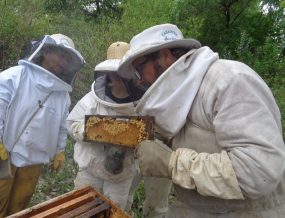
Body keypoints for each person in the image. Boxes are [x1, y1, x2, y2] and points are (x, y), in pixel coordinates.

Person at [117, 23, 285, 217]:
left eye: (139, 70)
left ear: (164, 57)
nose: (139, 81)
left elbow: (258, 172)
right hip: (195, 208)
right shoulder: (177, 94)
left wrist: (171, 162)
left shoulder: (230, 81)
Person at [0, 34, 85, 218]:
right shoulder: (16, 75)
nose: (63, 61)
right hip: (4, 153)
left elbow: (61, 126)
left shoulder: (62, 95)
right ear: (46, 51)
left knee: (21, 203)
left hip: (35, 158)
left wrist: (60, 150)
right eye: (60, 54)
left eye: (67, 58)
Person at [67, 42, 171, 217]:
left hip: (121, 175)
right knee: (83, 209)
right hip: (90, 168)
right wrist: (89, 131)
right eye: (115, 75)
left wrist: (141, 140)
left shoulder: (144, 104)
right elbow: (72, 124)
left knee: (115, 211)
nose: (119, 78)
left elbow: (158, 133)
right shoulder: (91, 100)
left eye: (123, 74)